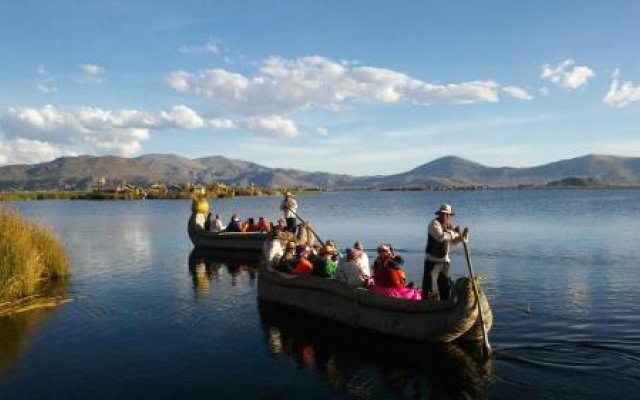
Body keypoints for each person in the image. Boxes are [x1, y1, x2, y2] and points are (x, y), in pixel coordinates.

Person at [422, 204, 468, 300]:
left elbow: (453, 241)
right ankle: (425, 304)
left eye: (448, 215)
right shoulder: (434, 224)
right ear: (439, 214)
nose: (446, 216)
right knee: (429, 285)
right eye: (444, 214)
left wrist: (461, 237)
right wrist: (454, 232)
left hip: (444, 260)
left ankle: (445, 304)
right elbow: (441, 237)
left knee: (444, 285)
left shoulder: (449, 226)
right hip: (432, 260)